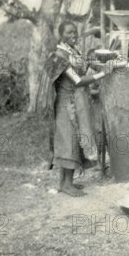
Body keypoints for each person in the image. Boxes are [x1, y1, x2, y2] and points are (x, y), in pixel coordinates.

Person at [37, 20, 117, 197]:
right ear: (61, 35)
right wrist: (105, 72)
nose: (73, 35)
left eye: (75, 32)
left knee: (73, 141)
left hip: (76, 102)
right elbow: (78, 80)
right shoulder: (60, 56)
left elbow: (83, 69)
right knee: (69, 143)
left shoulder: (72, 52)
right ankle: (66, 185)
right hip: (67, 105)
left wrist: (97, 64)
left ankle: (65, 182)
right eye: (68, 33)